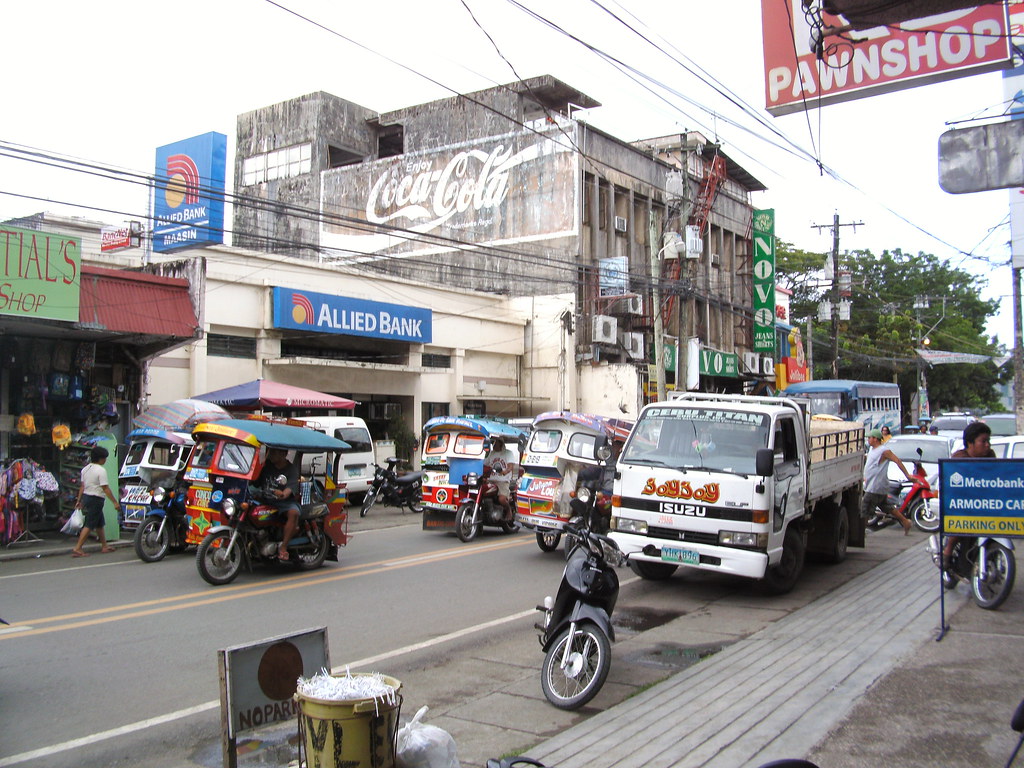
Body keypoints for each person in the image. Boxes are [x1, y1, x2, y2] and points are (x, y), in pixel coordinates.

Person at [942, 421, 995, 568]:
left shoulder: (990, 456)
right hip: (963, 504)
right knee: (959, 525)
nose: (987, 445)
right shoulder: (958, 459)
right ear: (970, 443)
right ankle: (947, 551)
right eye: (983, 441)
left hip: (984, 504)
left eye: (988, 441)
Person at [862, 428, 915, 534]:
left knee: (865, 507)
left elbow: (897, 461)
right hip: (872, 485)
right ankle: (905, 522)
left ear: (875, 439)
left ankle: (861, 532)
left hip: (875, 486)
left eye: (870, 438)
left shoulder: (884, 451)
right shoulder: (872, 449)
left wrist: (908, 475)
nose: (868, 440)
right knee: (886, 507)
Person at [71, 446, 119, 557]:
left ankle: (104, 545)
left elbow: (82, 486)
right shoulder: (101, 470)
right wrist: (115, 502)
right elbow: (105, 488)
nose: (105, 460)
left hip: (87, 497)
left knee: (99, 523)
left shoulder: (85, 469)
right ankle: (78, 547)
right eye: (105, 458)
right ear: (100, 458)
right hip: (96, 498)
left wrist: (79, 500)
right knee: (90, 524)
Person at [259, 447, 301, 560]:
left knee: (294, 513)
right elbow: (255, 480)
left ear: (283, 454)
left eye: (274, 452)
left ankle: (283, 547)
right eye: (270, 452)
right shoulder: (266, 466)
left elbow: (289, 489)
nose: (270, 455)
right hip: (266, 500)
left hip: (284, 503)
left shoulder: (291, 470)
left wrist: (282, 494)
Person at [485, 436, 518, 521]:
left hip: (503, 481)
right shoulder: (491, 453)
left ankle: (508, 510)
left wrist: (505, 471)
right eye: (493, 443)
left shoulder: (508, 453)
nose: (494, 444)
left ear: (501, 444)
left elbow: (510, 466)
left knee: (502, 499)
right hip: (491, 480)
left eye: (495, 443)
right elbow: (485, 464)